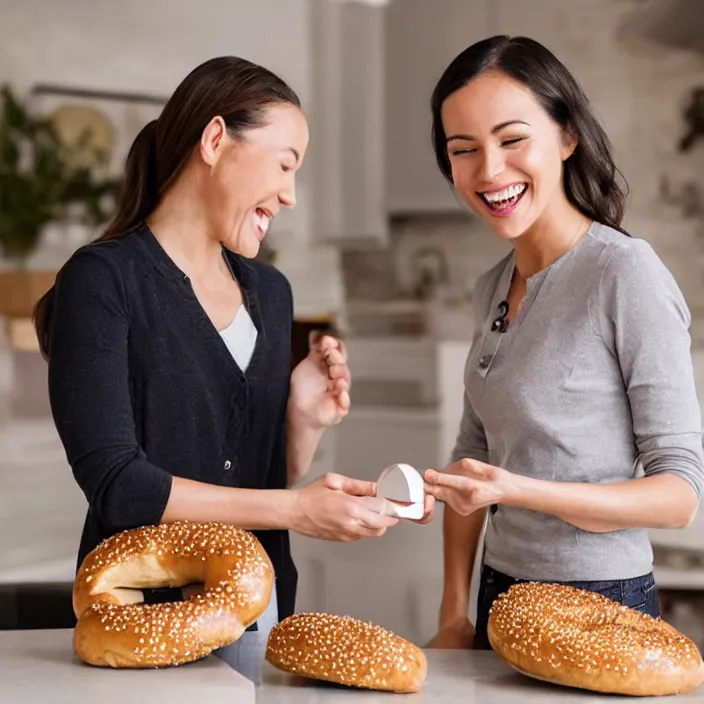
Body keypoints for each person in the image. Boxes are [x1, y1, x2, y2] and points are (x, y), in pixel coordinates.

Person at [33, 56, 430, 680]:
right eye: (285, 164)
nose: (291, 195)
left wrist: (302, 419)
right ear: (215, 140)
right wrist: (297, 510)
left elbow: (263, 478)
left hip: (261, 606)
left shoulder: (270, 293)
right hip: (142, 620)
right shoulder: (103, 281)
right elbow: (117, 484)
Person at [421, 35, 704, 651]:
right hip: (501, 592)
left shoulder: (624, 273)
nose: (489, 170)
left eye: (512, 138)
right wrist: (453, 612)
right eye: (464, 150)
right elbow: (471, 457)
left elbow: (680, 495)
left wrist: (515, 490)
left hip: (601, 600)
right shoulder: (492, 287)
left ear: (567, 136)